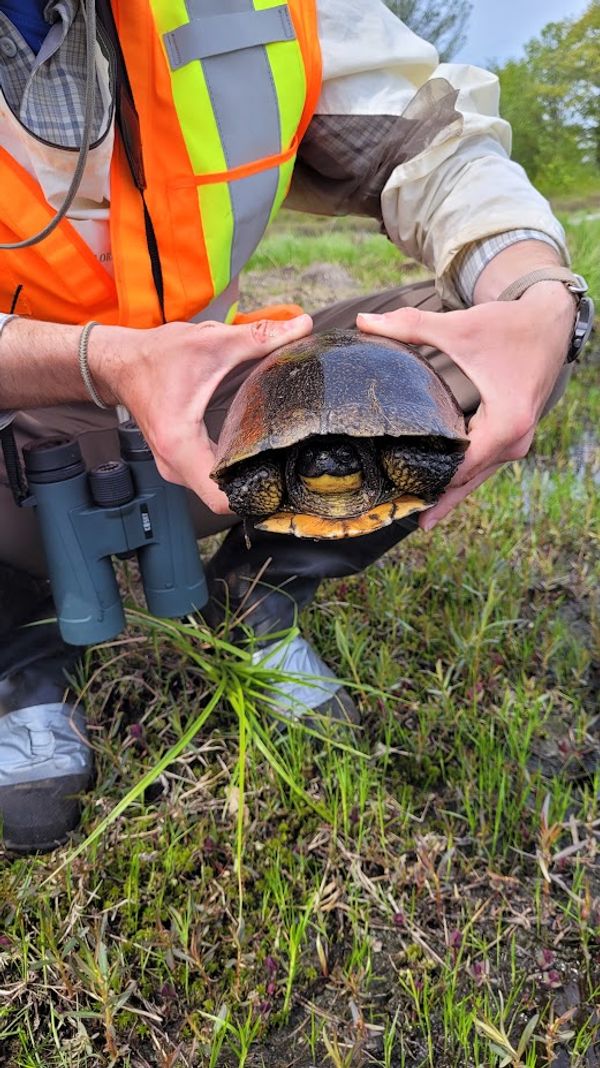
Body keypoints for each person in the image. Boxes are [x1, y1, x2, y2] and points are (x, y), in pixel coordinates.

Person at [0, 0, 590, 853]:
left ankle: (261, 595)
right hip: (16, 436)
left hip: (215, 418)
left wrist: (536, 290)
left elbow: (433, 142)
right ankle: (19, 660)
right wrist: (101, 358)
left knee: (487, 330)